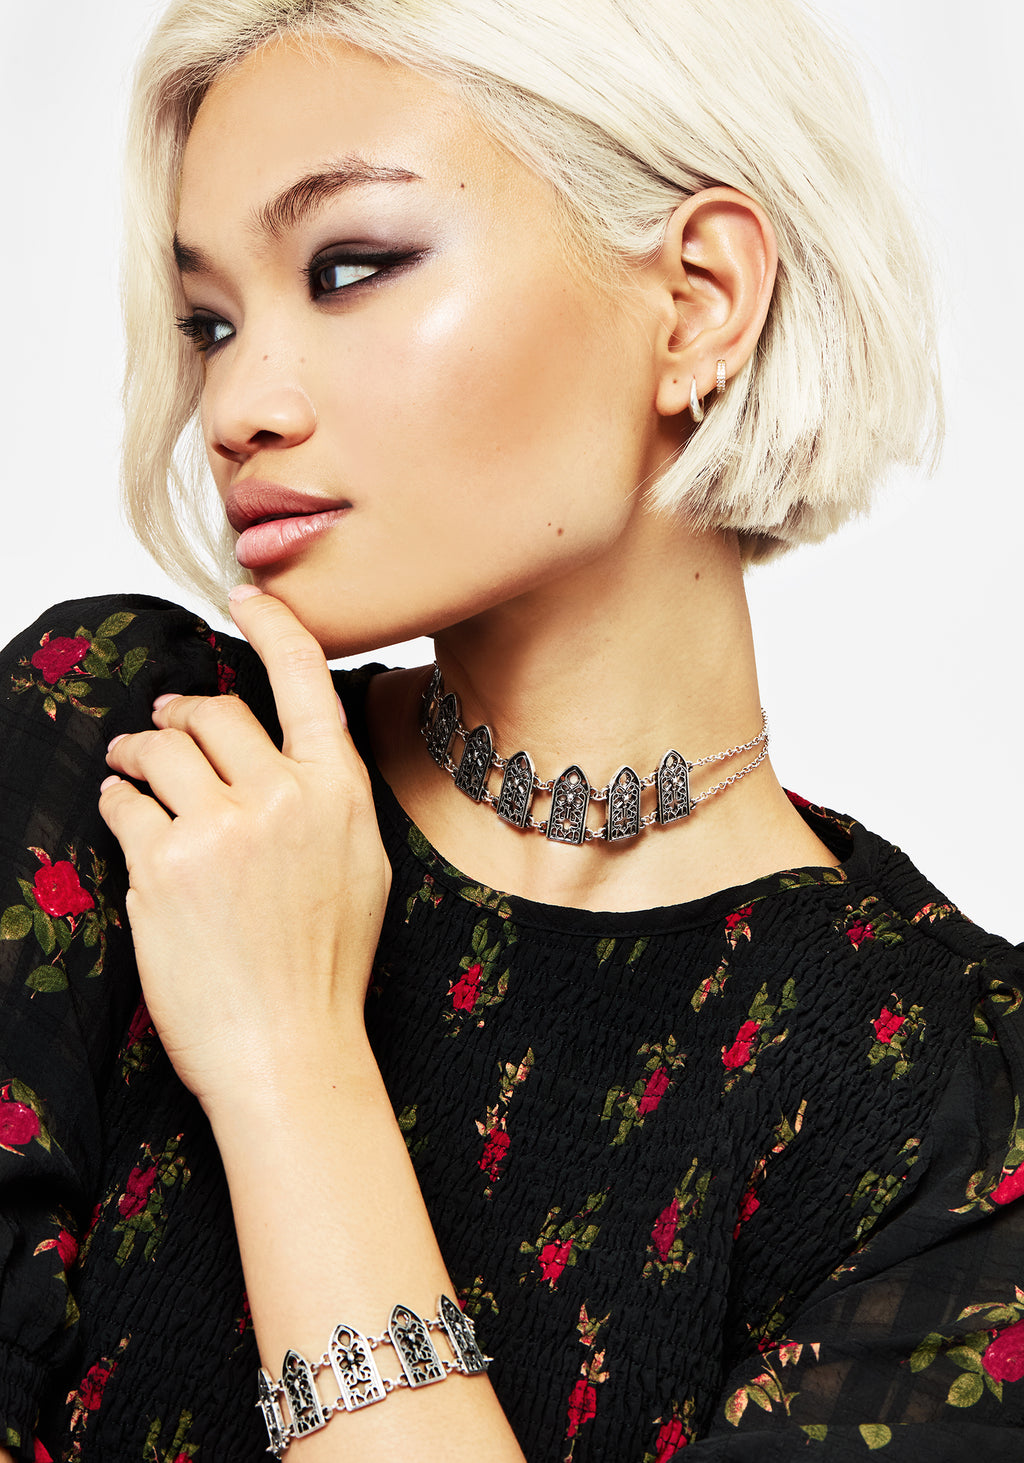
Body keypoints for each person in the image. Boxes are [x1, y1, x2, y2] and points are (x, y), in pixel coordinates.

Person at [0, 0, 1021, 1459]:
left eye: (348, 268)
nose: (234, 407)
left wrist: (292, 1068)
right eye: (210, 323)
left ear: (699, 299)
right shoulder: (129, 762)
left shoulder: (948, 1105)